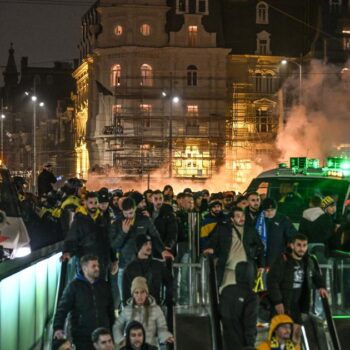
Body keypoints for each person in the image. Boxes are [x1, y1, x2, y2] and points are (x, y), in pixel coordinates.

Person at [110, 197, 172, 304]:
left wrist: (162, 250)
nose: (128, 216)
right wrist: (124, 232)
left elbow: (155, 236)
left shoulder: (143, 219)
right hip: (125, 265)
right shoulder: (117, 222)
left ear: (135, 209)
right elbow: (114, 245)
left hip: (144, 265)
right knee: (126, 300)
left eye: (130, 213)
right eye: (125, 213)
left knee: (146, 297)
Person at [267, 234, 327, 332]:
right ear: (292, 245)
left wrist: (321, 286)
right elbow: (272, 281)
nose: (302, 249)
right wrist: (277, 301)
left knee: (296, 336)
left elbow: (316, 275)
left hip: (298, 307)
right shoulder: (283, 260)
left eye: (304, 245)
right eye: (299, 245)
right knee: (280, 337)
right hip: (283, 304)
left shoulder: (308, 261)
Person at [53, 255, 115, 350]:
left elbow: (110, 310)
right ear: (85, 268)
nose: (97, 268)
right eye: (93, 266)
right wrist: (58, 328)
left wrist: (113, 331)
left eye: (97, 266)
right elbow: (62, 309)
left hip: (103, 337)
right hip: (82, 338)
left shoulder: (104, 286)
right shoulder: (73, 287)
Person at [204, 207, 264, 291]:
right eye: (238, 216)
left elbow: (260, 247)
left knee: (245, 296)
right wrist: (211, 250)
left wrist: (261, 265)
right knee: (227, 294)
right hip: (228, 270)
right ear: (232, 219)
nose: (241, 218)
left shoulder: (250, 230)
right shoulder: (223, 229)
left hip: (246, 271)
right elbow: (212, 243)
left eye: (243, 216)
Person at [62, 191, 115, 278]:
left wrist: (113, 259)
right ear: (85, 203)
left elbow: (108, 240)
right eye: (90, 202)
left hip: (101, 261)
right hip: (85, 260)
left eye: (95, 202)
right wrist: (68, 252)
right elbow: (72, 238)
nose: (93, 205)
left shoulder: (102, 219)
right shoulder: (79, 220)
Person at [114, 277, 174, 348]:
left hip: (150, 346)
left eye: (142, 292)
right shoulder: (127, 310)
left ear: (146, 293)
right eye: (136, 292)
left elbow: (162, 328)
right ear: (133, 294)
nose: (140, 296)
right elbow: (117, 327)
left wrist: (166, 336)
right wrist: (121, 340)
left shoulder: (156, 309)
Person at [123, 234, 173, 305]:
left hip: (155, 310)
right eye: (146, 244)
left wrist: (167, 300)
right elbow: (126, 294)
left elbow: (170, 282)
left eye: (150, 244)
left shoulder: (158, 265)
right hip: (136, 311)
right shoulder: (130, 268)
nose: (149, 246)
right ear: (139, 246)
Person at [220, 261, 259, 350]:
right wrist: (250, 345)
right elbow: (250, 324)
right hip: (242, 344)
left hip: (225, 341)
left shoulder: (226, 290)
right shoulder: (251, 296)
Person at [257, 198, 297, 267]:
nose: (270, 212)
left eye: (272, 210)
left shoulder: (283, 220)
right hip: (261, 259)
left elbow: (293, 235)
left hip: (278, 257)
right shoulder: (258, 221)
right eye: (267, 210)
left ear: (276, 209)